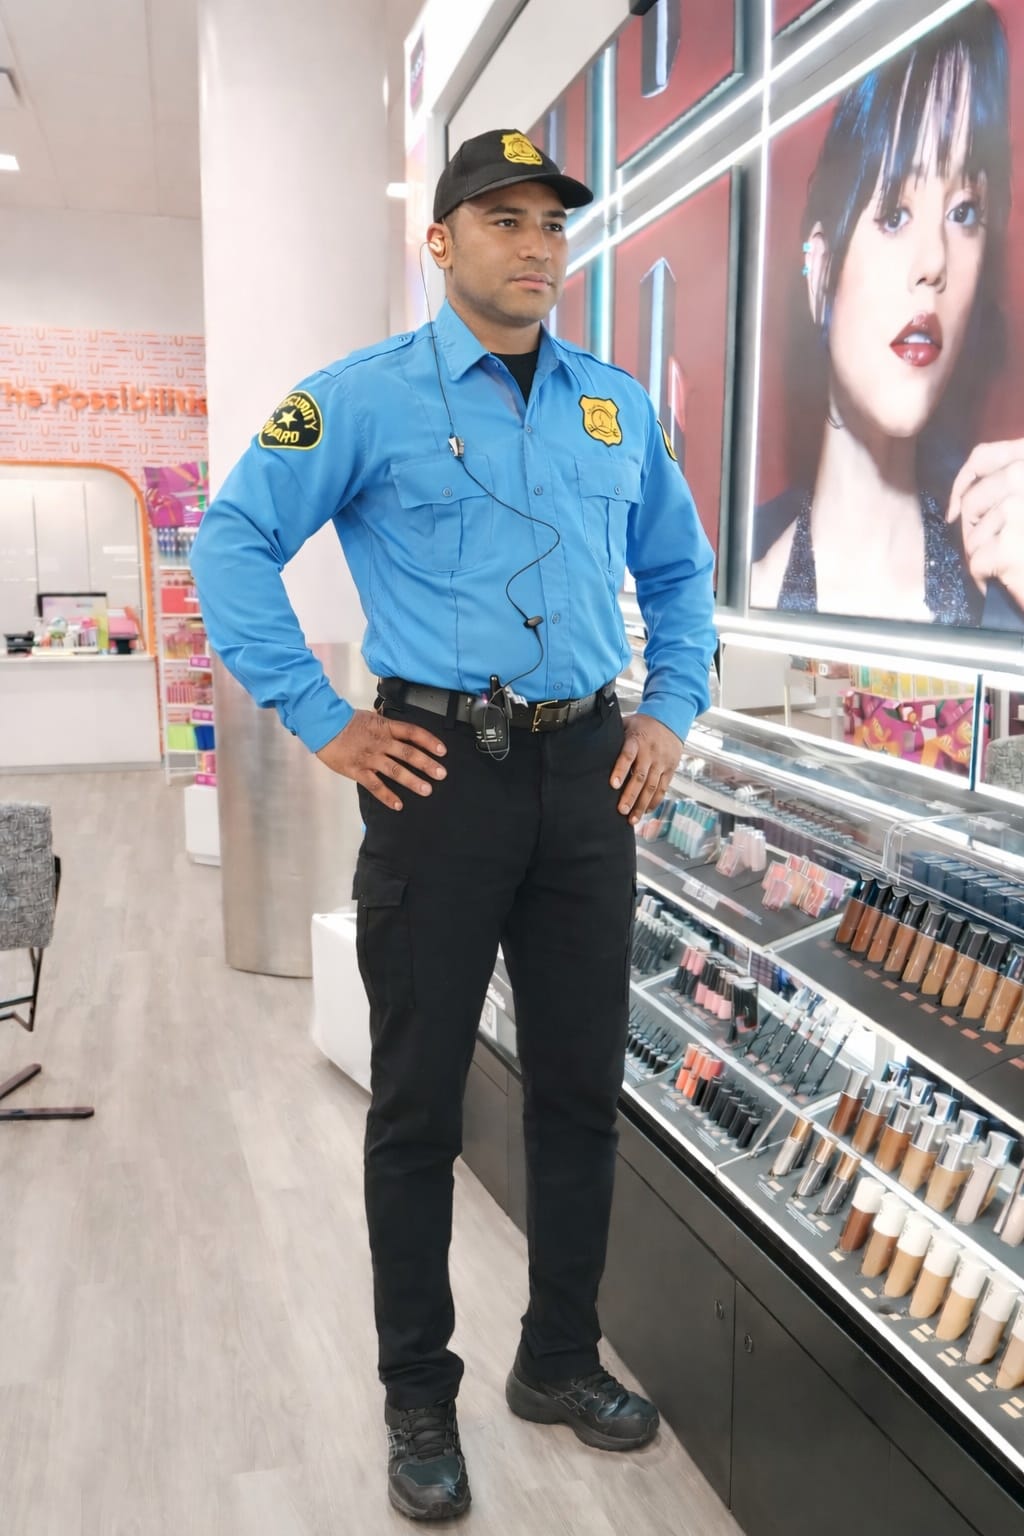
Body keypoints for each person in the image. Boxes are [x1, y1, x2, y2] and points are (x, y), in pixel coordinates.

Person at [191, 127, 716, 1522]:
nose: (537, 244)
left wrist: (671, 708)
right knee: (417, 1106)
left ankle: (556, 1360)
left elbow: (679, 569)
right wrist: (322, 716)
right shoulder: (359, 400)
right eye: (504, 219)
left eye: (552, 222)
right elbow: (230, 539)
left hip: (589, 777)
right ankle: (417, 1391)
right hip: (436, 780)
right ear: (442, 242)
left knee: (575, 1094)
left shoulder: (613, 410)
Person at [751, 3, 1024, 630]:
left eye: (964, 213)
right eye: (895, 213)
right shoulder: (745, 594)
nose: (934, 263)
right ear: (820, 272)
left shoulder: (1002, 585)